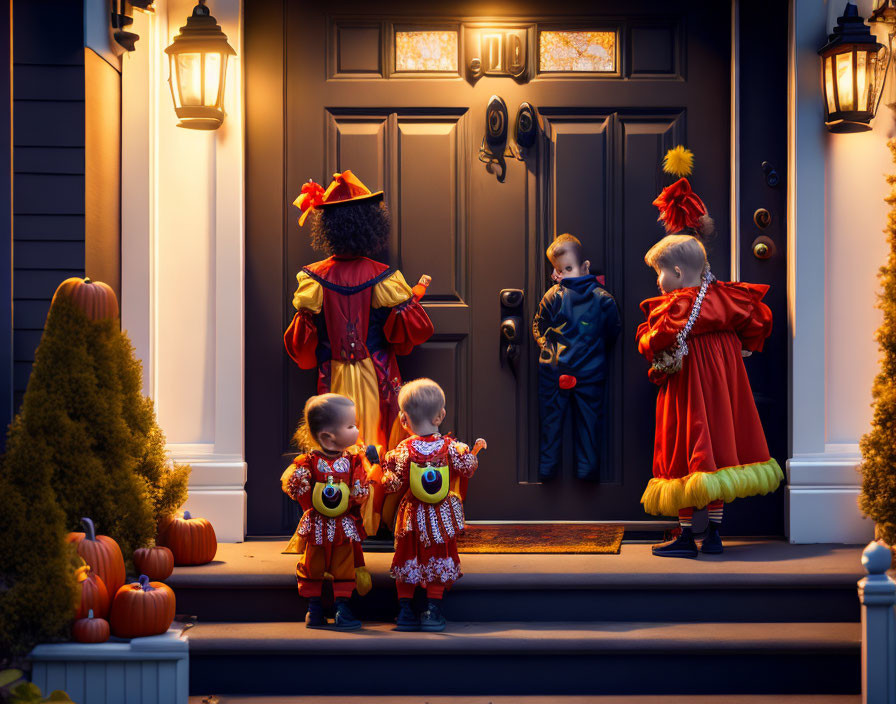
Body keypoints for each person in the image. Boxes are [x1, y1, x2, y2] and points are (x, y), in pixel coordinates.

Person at [638, 177, 783, 558]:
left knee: (684, 450)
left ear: (680, 275)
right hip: (720, 389)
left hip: (686, 389)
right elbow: (758, 319)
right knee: (716, 449)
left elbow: (656, 339)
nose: (659, 281)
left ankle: (687, 536)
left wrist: (646, 340)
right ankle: (715, 534)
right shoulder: (724, 296)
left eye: (661, 273)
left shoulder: (678, 305)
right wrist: (744, 350)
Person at [284, 170, 434, 534]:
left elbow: (300, 344)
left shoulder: (314, 279)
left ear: (329, 227)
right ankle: (373, 520)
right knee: (376, 440)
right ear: (370, 224)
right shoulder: (383, 277)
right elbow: (412, 332)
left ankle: (337, 520)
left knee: (335, 442)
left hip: (333, 374)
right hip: (376, 373)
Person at [381, 378, 486, 632]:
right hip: (440, 516)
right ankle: (432, 610)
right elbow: (467, 468)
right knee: (439, 554)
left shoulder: (402, 450)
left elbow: (392, 485)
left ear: (404, 421)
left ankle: (405, 611)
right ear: (441, 416)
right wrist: (474, 451)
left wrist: (381, 466)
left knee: (407, 555)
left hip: (412, 515)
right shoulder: (451, 448)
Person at [532, 233, 621, 481]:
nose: (562, 275)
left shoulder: (603, 300)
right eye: (558, 270)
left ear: (585, 267)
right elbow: (538, 324)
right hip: (555, 371)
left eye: (569, 268)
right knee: (550, 423)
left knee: (589, 424)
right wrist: (546, 348)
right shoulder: (553, 296)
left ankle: (587, 473)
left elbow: (612, 330)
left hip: (589, 373)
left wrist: (594, 350)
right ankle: (548, 470)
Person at [280, 393, 371, 629]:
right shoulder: (307, 462)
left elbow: (360, 484)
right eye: (351, 425)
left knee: (344, 564)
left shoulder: (353, 462)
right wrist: (298, 482)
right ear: (328, 438)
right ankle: (314, 609)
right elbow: (295, 486)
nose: (357, 430)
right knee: (313, 563)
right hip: (318, 525)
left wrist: (359, 495)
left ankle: (343, 608)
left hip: (343, 525)